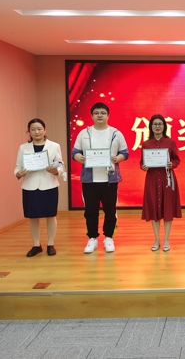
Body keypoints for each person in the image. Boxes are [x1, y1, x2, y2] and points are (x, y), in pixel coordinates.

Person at [71, 102, 129, 254]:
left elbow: (125, 153)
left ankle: (109, 237)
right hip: (89, 180)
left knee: (110, 210)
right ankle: (92, 238)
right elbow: (75, 152)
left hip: (110, 180)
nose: (99, 116)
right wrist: (80, 158)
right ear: (91, 116)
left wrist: (117, 158)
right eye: (96, 113)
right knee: (90, 211)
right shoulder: (84, 133)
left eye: (103, 113)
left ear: (108, 115)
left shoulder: (116, 133)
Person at [14, 118, 64, 257]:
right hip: (30, 186)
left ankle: (50, 244)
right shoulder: (23, 148)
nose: (36, 132)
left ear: (44, 130)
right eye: (33, 129)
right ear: (29, 132)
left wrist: (56, 171)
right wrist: (19, 173)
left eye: (39, 129)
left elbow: (60, 165)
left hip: (49, 185)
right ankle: (36, 245)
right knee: (33, 217)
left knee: (51, 215)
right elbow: (17, 167)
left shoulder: (54, 146)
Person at [140, 114, 182, 252]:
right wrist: (143, 166)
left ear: (164, 126)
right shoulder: (146, 144)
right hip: (152, 179)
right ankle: (157, 239)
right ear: (151, 127)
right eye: (155, 124)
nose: (157, 126)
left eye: (160, 124)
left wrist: (172, 164)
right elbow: (142, 162)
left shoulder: (170, 142)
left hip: (167, 179)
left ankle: (166, 239)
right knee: (154, 209)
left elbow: (176, 159)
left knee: (167, 208)